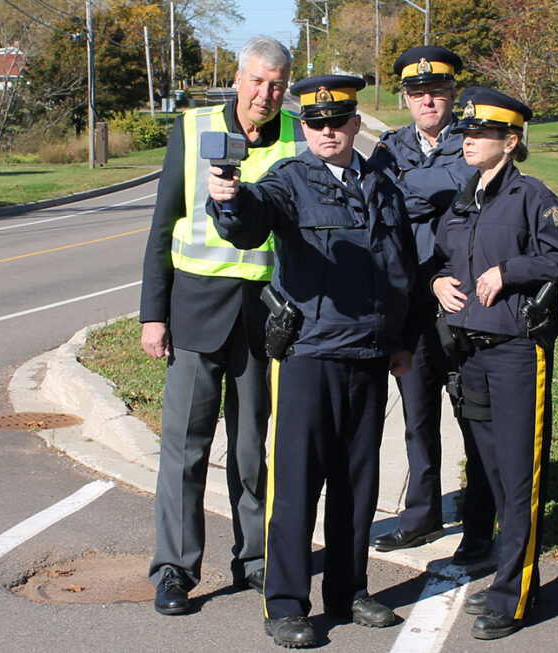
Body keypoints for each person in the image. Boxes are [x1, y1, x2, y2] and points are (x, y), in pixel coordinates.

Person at [207, 74, 419, 649]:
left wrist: (400, 338)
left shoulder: (381, 183)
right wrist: (228, 197)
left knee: (359, 481)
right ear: (304, 128)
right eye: (316, 123)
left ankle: (349, 591)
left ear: (355, 124)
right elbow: (251, 223)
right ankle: (286, 604)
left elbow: (399, 267)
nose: (328, 131)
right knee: (297, 485)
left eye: (338, 121)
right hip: (310, 353)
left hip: (371, 352)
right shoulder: (288, 181)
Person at [140, 35, 304, 616]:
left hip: (263, 315)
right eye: (258, 81)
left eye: (278, 84)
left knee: (252, 448)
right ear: (239, 78)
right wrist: (152, 314)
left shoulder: (297, 135)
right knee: (184, 447)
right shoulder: (192, 130)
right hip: (195, 310)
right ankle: (175, 570)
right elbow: (164, 225)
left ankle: (256, 559)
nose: (267, 94)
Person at [431, 87, 558, 640]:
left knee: (520, 474)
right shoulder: (464, 195)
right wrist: (436, 281)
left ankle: (513, 595)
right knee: (493, 471)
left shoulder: (531, 196)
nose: (469, 142)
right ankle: (516, 577)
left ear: (511, 141)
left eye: (480, 135)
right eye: (465, 134)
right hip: (470, 351)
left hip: (519, 352)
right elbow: (441, 254)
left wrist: (512, 271)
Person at [368, 45, 496, 564]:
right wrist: (419, 192)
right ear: (406, 97)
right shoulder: (388, 147)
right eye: (418, 93)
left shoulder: (472, 141)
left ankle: (479, 528)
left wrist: (406, 191)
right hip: (412, 307)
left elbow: (457, 187)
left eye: (438, 92)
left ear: (452, 95)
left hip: (463, 302)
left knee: (474, 420)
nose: (428, 101)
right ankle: (419, 517)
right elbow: (379, 203)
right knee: (417, 420)